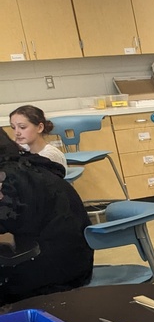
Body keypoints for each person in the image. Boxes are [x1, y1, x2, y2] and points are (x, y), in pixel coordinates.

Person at [0, 130, 92, 303]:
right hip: (74, 259)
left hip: (56, 273)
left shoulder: (9, 177)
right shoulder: (28, 164)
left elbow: (5, 220)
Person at [8, 105, 68, 173]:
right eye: (13, 127)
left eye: (22, 127)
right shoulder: (22, 149)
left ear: (40, 128)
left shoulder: (50, 155)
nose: (17, 133)